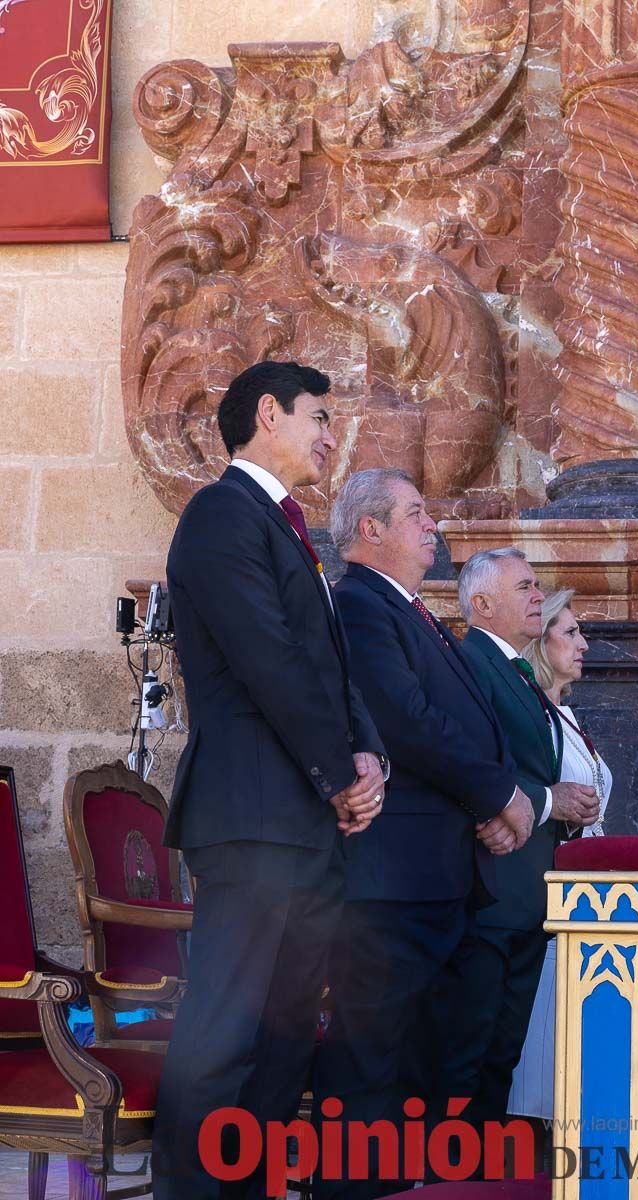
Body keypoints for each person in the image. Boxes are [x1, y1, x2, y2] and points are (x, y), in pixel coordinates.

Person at [152, 361, 387, 1200]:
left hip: (309, 823)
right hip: (253, 821)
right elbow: (267, 661)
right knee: (222, 1037)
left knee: (285, 1042)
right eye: (319, 417)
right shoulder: (222, 514)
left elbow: (329, 667)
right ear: (267, 414)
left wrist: (366, 758)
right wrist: (337, 773)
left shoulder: (291, 531)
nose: (331, 436)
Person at [312, 468, 535, 1200]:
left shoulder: (416, 613)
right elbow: (406, 722)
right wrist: (499, 795)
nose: (432, 524)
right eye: (415, 513)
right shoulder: (361, 605)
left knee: (423, 1069)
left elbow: (474, 724)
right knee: (370, 1069)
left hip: (440, 879)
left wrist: (492, 807)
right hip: (391, 883)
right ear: (370, 529)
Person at [447, 550, 599, 1138]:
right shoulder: (472, 663)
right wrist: (544, 798)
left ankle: (480, 1174)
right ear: (482, 604)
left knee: (500, 1055)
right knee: (469, 1051)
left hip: (528, 892)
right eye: (525, 586)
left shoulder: (515, 673)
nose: (539, 595)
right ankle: (446, 1178)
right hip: (492, 885)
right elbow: (471, 758)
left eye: (537, 585)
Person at [508, 586, 613, 1120]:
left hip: (588, 900)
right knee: (541, 1057)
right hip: (552, 898)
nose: (584, 644)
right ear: (539, 641)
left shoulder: (567, 716)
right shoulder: (532, 717)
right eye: (570, 632)